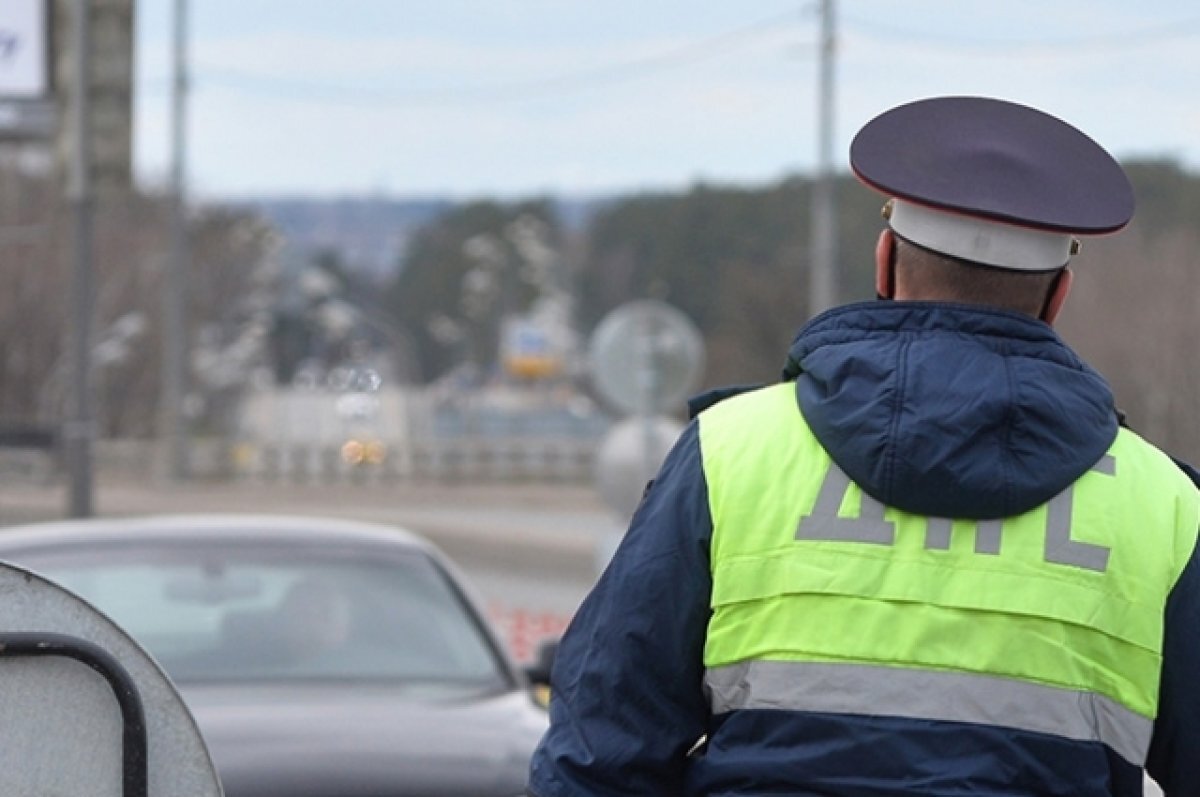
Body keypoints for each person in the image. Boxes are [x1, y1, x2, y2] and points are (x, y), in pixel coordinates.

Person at [526, 96, 1200, 796]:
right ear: (1058, 295)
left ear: (886, 260)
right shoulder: (1162, 505)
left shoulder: (732, 453)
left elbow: (600, 752)